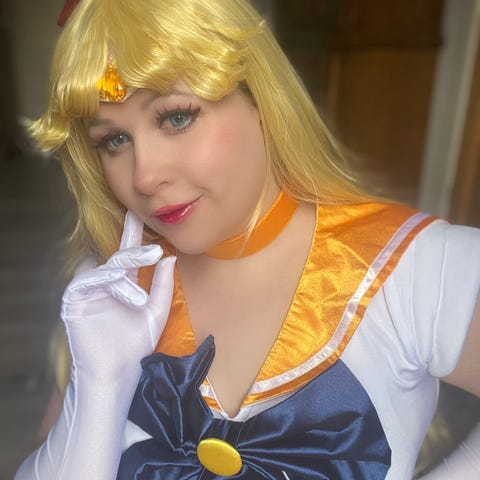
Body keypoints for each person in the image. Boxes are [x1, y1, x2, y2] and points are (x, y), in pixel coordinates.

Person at [14, 0, 480, 479]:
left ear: (259, 99)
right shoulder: (111, 288)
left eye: (176, 118)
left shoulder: (417, 266)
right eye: (114, 140)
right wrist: (100, 381)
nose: (145, 176)